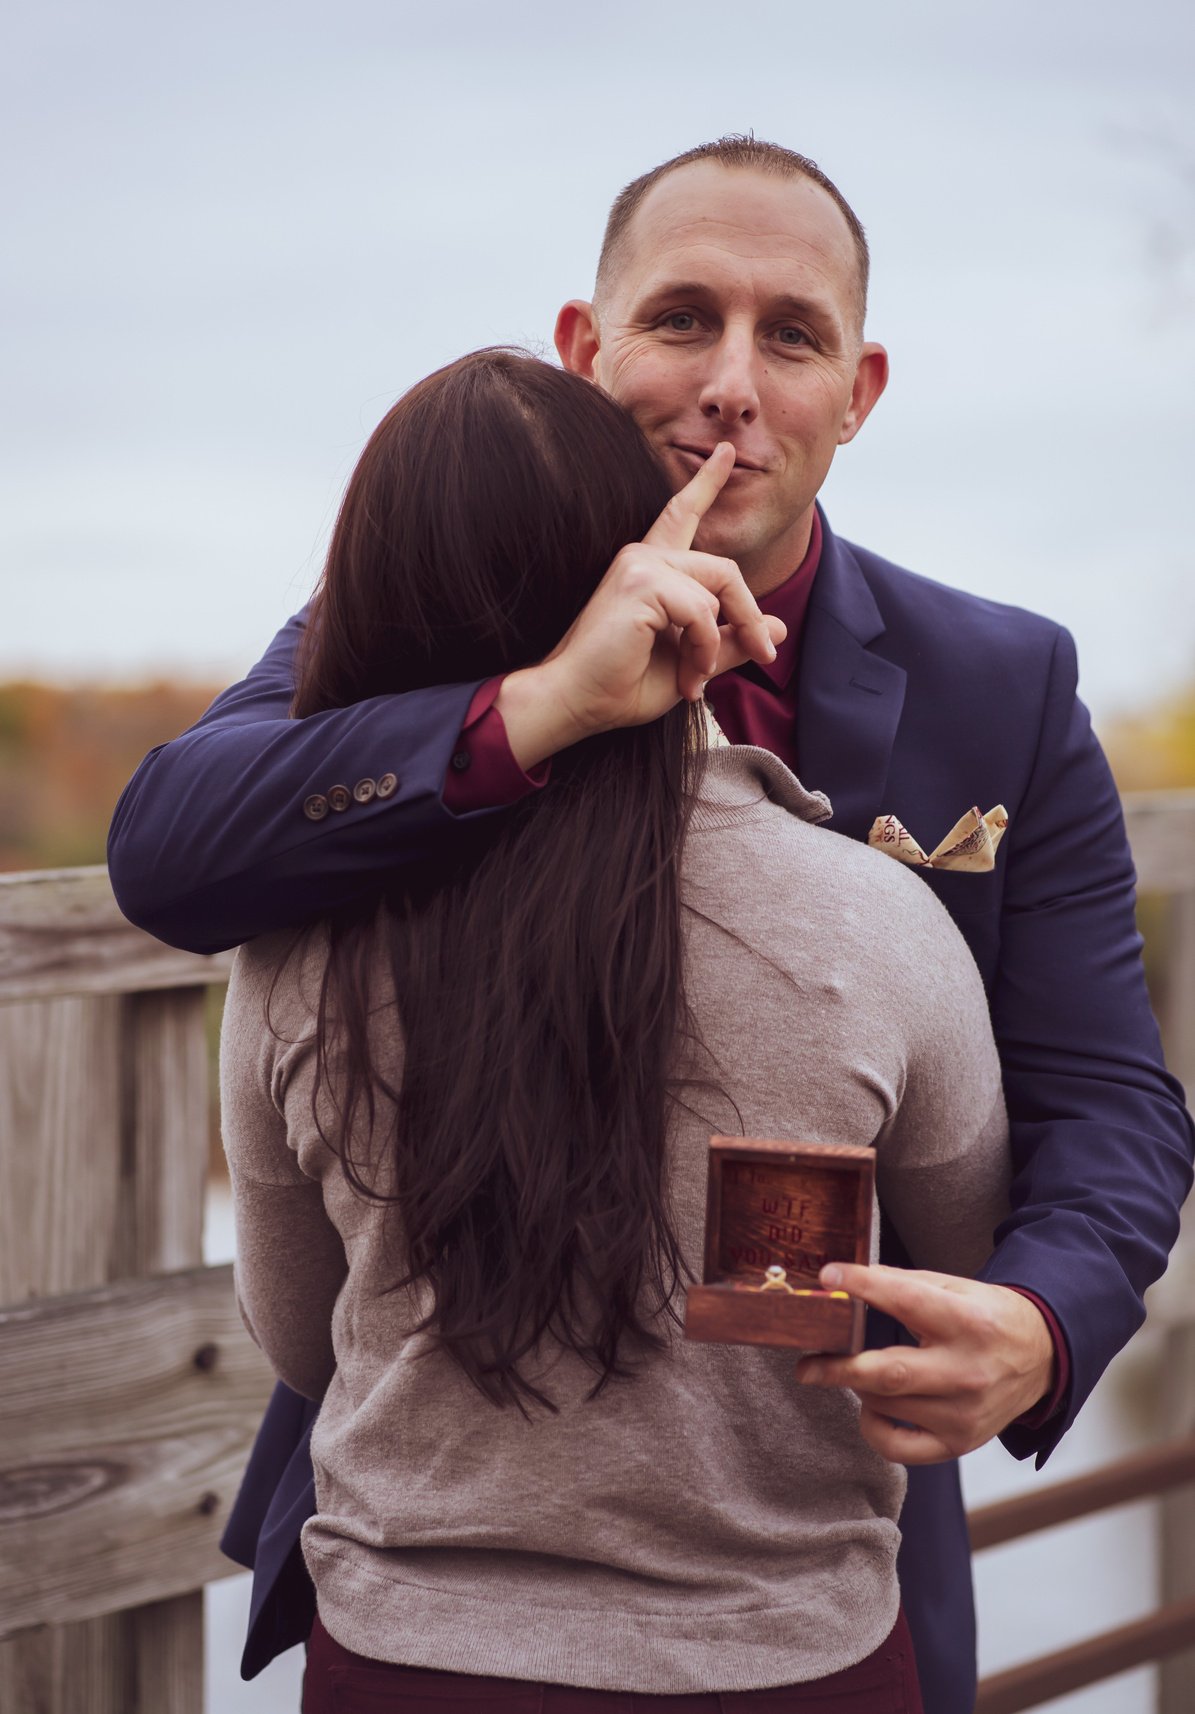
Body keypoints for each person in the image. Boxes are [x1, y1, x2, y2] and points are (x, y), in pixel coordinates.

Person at [107, 138, 1194, 1714]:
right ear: (583, 350)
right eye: (682, 319)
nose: (733, 384)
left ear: (861, 388)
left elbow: (1112, 1098)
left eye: (793, 335)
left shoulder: (1001, 682)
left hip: (814, 1553)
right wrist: (530, 710)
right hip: (421, 1548)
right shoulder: (398, 626)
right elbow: (168, 850)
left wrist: (1041, 1316)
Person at [221, 345, 1011, 1710]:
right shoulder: (873, 926)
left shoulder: (301, 946)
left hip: (408, 1662)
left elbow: (303, 1333)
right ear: (648, 568)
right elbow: (964, 1253)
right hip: (786, 1662)